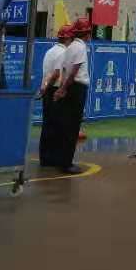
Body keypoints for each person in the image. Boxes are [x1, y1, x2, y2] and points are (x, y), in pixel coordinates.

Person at [49, 19, 90, 174]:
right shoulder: (80, 47)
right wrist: (64, 88)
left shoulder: (71, 47)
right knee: (72, 127)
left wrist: (61, 89)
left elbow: (65, 71)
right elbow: (74, 72)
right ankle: (67, 163)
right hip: (76, 88)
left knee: (66, 125)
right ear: (87, 33)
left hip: (70, 87)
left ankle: (62, 160)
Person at [37, 24, 72, 168]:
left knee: (47, 124)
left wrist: (44, 89)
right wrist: (49, 89)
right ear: (68, 38)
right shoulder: (63, 53)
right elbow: (56, 74)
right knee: (56, 125)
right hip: (54, 90)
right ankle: (53, 158)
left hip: (47, 89)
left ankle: (45, 157)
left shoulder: (50, 51)